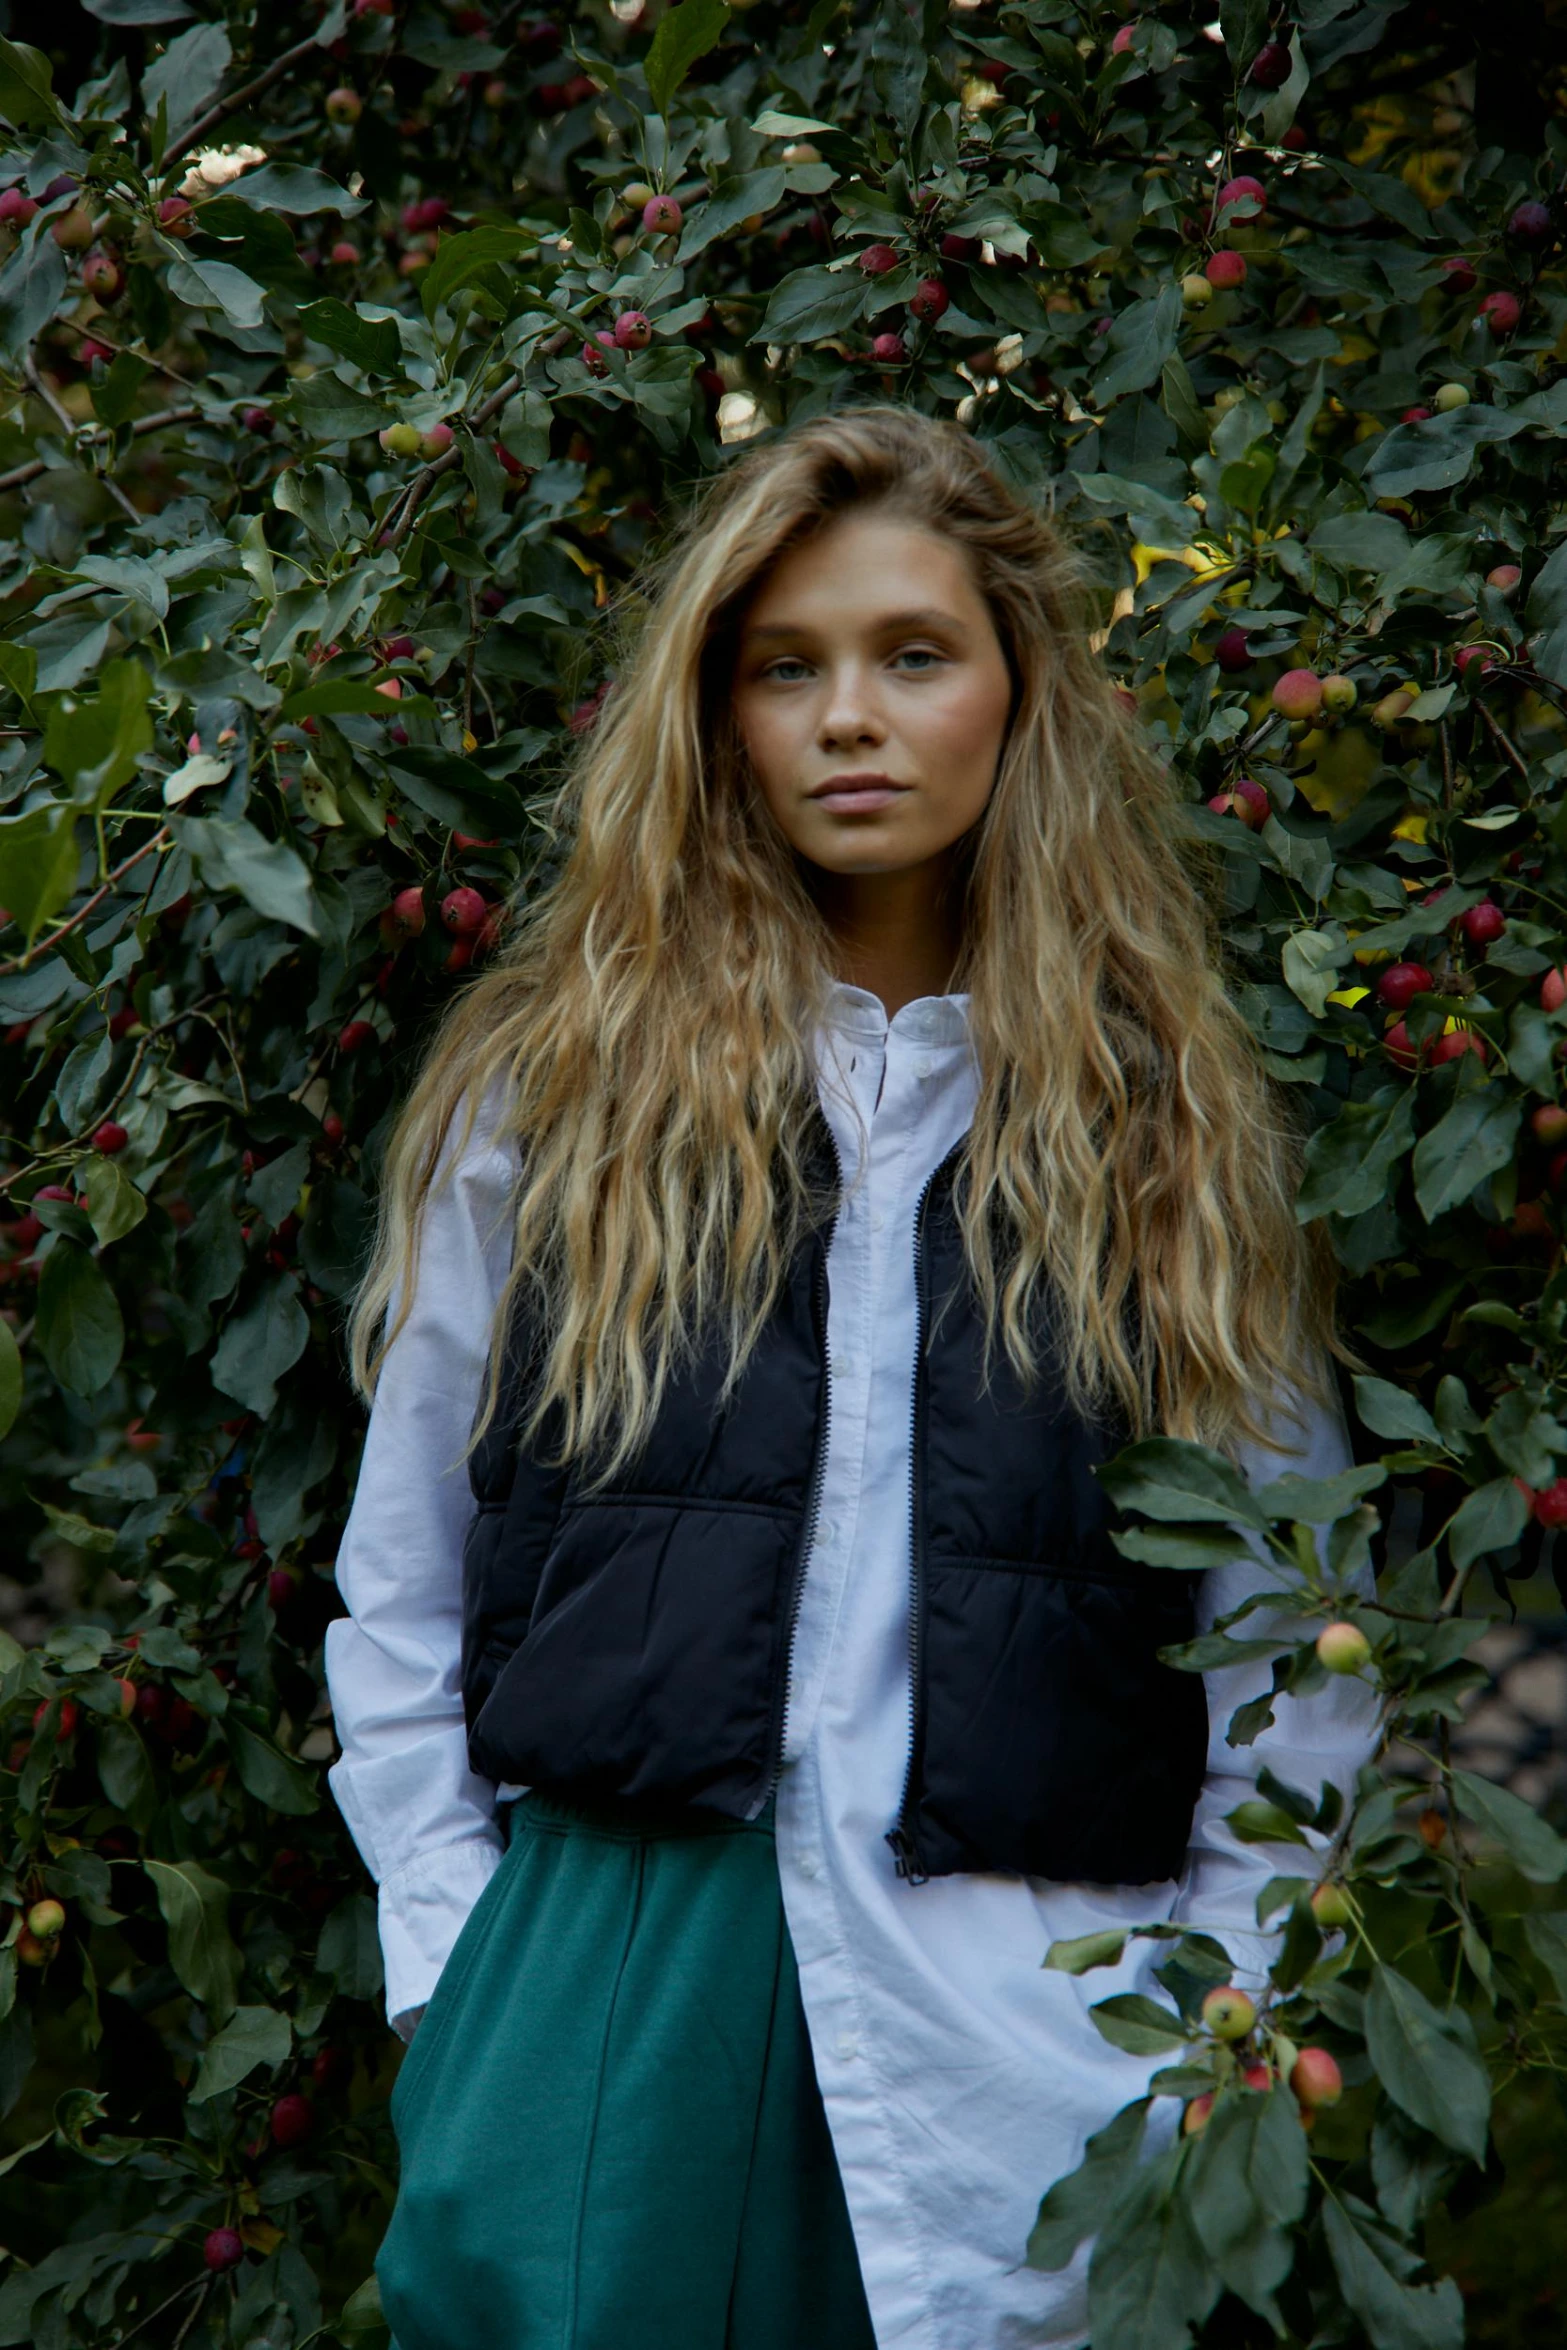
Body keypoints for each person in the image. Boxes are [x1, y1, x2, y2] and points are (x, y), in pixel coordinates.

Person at [323, 405, 1382, 2350]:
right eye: (784, 667)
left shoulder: (1161, 1138)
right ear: (718, 714)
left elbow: (1290, 1632)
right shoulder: (554, 1100)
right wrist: (464, 1976)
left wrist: (1227, 2002)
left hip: (1034, 2011)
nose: (849, 718)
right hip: (611, 1987)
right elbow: (402, 1585)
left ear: (1016, 691)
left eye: (913, 654)